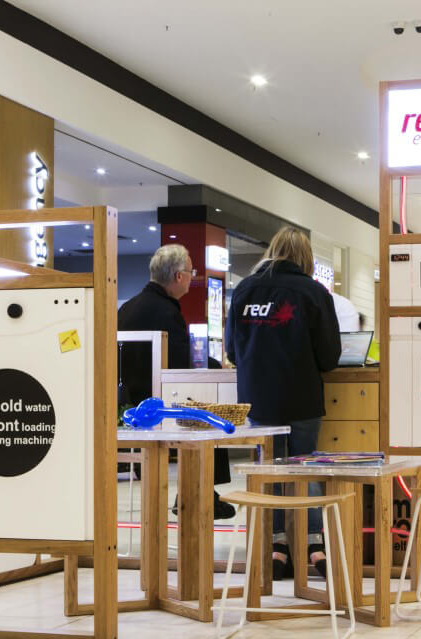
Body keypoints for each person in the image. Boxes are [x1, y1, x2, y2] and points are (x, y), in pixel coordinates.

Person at [226, 227, 341, 578]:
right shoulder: (313, 292)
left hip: (258, 400)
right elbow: (330, 355)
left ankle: (276, 549)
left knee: (270, 473)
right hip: (302, 396)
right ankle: (314, 549)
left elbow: (231, 350)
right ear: (305, 258)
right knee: (307, 468)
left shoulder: (245, 289)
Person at [118, 243, 235, 519]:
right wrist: (218, 366)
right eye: (191, 272)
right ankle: (200, 492)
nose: (192, 278)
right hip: (158, 404)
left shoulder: (128, 308)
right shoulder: (166, 311)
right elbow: (184, 359)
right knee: (209, 415)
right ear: (179, 276)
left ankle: (195, 491)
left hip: (128, 403)